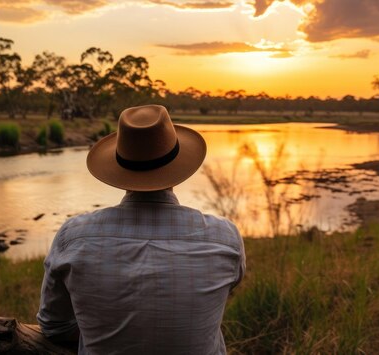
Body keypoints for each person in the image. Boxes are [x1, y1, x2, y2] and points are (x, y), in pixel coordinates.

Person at [37, 105, 245, 355]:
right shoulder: (224, 238)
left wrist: (101, 330)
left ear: (119, 168)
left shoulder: (73, 238)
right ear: (178, 169)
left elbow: (53, 326)